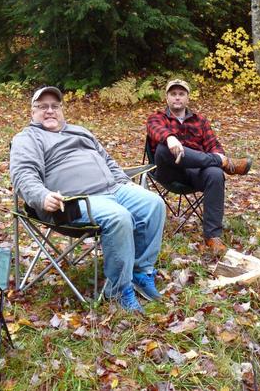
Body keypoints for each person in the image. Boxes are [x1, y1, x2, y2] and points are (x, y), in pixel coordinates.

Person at [10, 86, 166, 313]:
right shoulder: (28, 138)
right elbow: (23, 174)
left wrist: (124, 181)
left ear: (62, 110)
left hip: (113, 188)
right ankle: (119, 290)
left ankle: (141, 272)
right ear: (32, 112)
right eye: (42, 107)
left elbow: (108, 161)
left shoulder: (80, 131)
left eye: (55, 106)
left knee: (153, 204)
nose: (50, 111)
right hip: (71, 201)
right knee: (119, 217)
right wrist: (42, 196)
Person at [146, 79, 252, 254]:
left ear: (188, 98)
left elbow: (214, 146)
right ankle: (227, 164)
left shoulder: (200, 120)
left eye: (181, 94)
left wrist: (218, 156)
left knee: (215, 174)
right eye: (173, 94)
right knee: (163, 148)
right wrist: (171, 138)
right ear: (167, 98)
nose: (177, 98)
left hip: (195, 172)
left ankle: (212, 236)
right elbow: (155, 129)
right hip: (169, 172)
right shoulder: (157, 117)